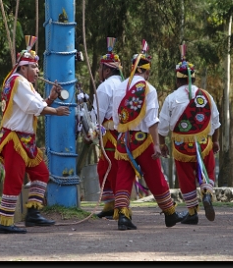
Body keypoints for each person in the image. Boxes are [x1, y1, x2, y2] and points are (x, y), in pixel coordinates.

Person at [0, 35, 70, 234]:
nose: (37, 72)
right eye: (34, 68)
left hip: (25, 140)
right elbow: (35, 107)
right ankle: (5, 222)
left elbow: (38, 105)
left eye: (37, 68)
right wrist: (56, 111)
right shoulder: (18, 81)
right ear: (23, 67)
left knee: (41, 173)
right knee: (14, 179)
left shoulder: (24, 84)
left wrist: (51, 98)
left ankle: (33, 213)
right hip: (15, 139)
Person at [112, 40, 185, 230]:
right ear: (146, 71)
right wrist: (156, 145)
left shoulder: (120, 88)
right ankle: (170, 213)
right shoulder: (148, 89)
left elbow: (115, 118)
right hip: (143, 141)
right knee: (155, 176)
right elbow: (152, 121)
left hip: (123, 141)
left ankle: (123, 215)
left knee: (124, 176)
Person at [158, 44, 220, 225]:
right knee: (207, 170)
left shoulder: (171, 98)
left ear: (178, 80)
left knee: (185, 177)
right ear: (194, 77)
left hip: (181, 147)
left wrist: (162, 145)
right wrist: (215, 142)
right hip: (203, 144)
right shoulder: (206, 96)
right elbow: (215, 123)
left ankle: (192, 212)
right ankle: (207, 192)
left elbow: (162, 127)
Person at [91, 37, 124, 219]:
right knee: (111, 168)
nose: (99, 72)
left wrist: (92, 131)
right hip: (124, 134)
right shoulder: (125, 84)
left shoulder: (105, 86)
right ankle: (111, 205)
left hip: (110, 134)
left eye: (100, 68)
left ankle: (118, 206)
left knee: (110, 169)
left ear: (107, 69)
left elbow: (98, 113)